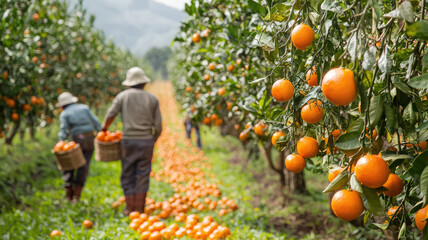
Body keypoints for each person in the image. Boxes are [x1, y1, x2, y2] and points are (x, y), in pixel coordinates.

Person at [101, 67, 162, 215]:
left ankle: (129, 208)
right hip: (146, 141)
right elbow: (158, 126)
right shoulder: (152, 99)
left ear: (129, 83)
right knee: (142, 174)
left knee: (128, 173)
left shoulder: (122, 96)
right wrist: (151, 139)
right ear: (143, 83)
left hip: (128, 141)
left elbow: (111, 114)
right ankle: (140, 210)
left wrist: (104, 129)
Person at [57, 92, 101, 202]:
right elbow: (96, 122)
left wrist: (61, 142)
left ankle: (69, 195)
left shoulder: (65, 113)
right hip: (90, 138)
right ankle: (77, 196)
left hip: (77, 140)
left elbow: (63, 130)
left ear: (62, 105)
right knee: (84, 165)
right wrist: (103, 133)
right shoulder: (84, 108)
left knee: (69, 164)